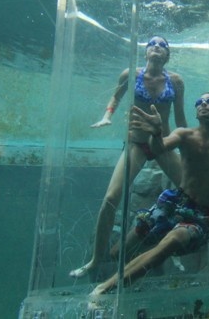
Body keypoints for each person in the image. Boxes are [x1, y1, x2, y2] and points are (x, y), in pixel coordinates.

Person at [90, 92, 209, 295]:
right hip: (173, 202)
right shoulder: (184, 134)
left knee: (174, 240)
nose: (203, 104)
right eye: (199, 102)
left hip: (202, 214)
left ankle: (105, 288)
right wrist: (156, 133)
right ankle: (129, 274)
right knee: (119, 252)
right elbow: (157, 149)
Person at [70, 36, 187, 279]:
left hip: (163, 144)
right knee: (110, 199)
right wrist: (107, 116)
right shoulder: (130, 75)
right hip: (137, 144)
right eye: (152, 43)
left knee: (188, 195)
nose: (157, 46)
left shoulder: (175, 81)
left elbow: (180, 116)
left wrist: (188, 146)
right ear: (146, 52)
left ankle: (172, 248)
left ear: (167, 55)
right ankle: (95, 259)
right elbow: (116, 97)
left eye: (163, 45)